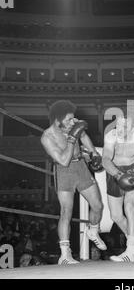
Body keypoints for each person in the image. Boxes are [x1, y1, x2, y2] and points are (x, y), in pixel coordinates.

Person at [41, 100, 106, 265]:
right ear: (57, 121)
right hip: (64, 171)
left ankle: (92, 231)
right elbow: (63, 160)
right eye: (69, 119)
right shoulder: (47, 137)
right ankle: (65, 254)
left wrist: (93, 153)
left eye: (73, 118)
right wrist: (71, 139)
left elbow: (83, 135)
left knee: (97, 205)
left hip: (81, 167)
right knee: (66, 211)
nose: (73, 121)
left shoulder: (73, 124)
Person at [102, 115, 134, 262]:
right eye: (118, 126)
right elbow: (105, 159)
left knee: (129, 206)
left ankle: (130, 251)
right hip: (114, 170)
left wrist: (131, 173)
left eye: (125, 127)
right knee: (116, 216)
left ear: (133, 128)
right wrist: (118, 175)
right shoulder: (111, 136)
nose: (120, 130)